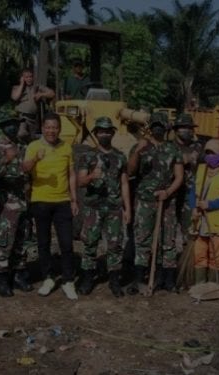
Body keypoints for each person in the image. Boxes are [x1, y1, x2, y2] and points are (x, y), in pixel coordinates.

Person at [22, 113, 79, 300]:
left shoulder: (67, 148)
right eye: (48, 127)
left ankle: (68, 280)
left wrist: (74, 199)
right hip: (40, 200)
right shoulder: (33, 146)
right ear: (43, 128)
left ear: (59, 129)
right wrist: (35, 159)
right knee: (43, 242)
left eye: (54, 127)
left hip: (62, 201)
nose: (51, 130)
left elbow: (71, 174)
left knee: (66, 243)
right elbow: (24, 168)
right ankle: (48, 278)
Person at [127, 112, 183, 294]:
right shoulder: (140, 146)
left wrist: (167, 192)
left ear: (166, 128)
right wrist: (138, 151)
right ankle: (138, 280)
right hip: (145, 200)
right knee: (142, 239)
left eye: (161, 125)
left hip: (167, 201)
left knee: (168, 241)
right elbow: (130, 171)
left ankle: (167, 280)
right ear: (149, 127)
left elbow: (179, 176)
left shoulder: (173, 149)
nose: (158, 128)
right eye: (155, 125)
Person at [76, 117, 131, 297]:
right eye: (101, 131)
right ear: (96, 133)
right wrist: (92, 176)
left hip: (114, 208)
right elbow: (80, 181)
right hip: (93, 207)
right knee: (90, 244)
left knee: (115, 245)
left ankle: (114, 281)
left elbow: (124, 184)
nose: (104, 134)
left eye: (108, 131)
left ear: (113, 133)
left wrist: (127, 208)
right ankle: (87, 280)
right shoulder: (88, 156)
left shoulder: (120, 156)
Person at [0, 117, 32, 297]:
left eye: (15, 124)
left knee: (23, 239)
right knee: (4, 240)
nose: (13, 128)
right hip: (6, 202)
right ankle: (1, 278)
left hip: (23, 201)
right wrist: (6, 160)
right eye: (8, 125)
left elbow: (27, 172)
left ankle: (19, 274)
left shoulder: (23, 146)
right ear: (2, 127)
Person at [188, 139, 219, 284]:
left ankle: (212, 285)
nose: (209, 156)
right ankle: (199, 284)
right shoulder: (201, 169)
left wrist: (211, 204)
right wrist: (193, 207)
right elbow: (192, 191)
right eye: (207, 153)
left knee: (216, 255)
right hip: (200, 221)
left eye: (213, 153)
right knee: (199, 254)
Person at [171, 114, 203, 250]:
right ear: (176, 130)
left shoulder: (198, 146)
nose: (187, 130)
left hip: (190, 194)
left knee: (189, 229)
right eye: (184, 127)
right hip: (171, 193)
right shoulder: (169, 146)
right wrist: (186, 158)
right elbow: (181, 160)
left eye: (190, 128)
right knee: (169, 230)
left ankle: (187, 260)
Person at [11, 68, 55, 138]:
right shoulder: (16, 88)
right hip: (21, 117)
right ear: (22, 78)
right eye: (26, 77)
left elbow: (52, 93)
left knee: (32, 138)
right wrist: (22, 84)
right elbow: (15, 97)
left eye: (30, 77)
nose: (29, 79)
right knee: (22, 133)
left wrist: (41, 94)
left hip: (33, 119)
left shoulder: (37, 87)